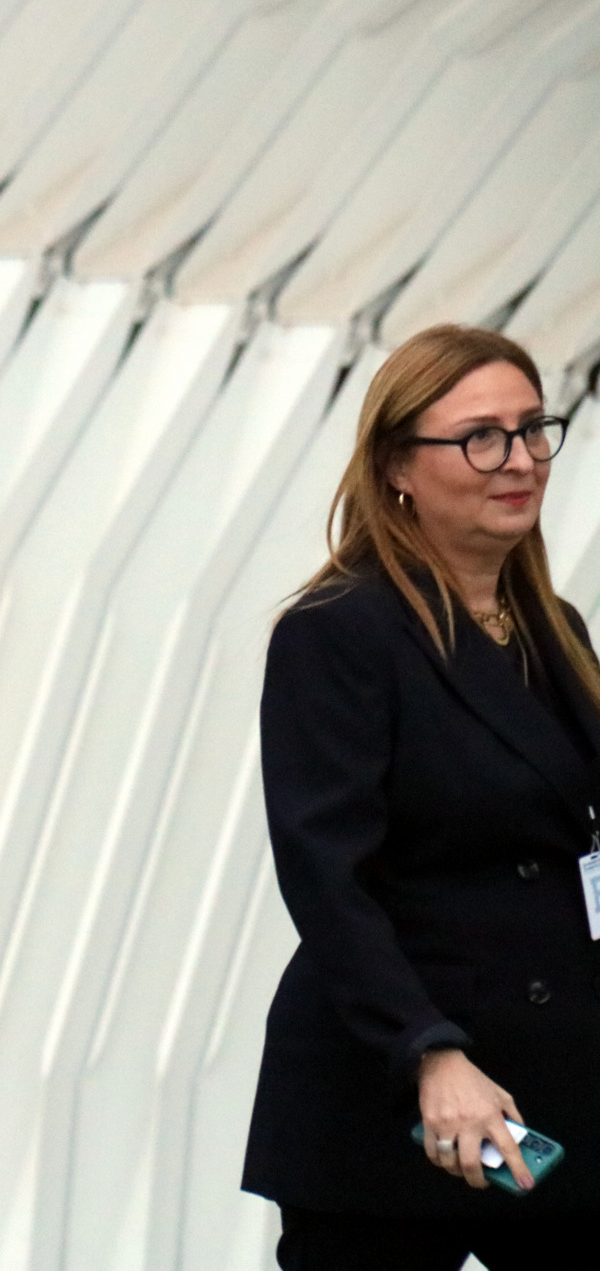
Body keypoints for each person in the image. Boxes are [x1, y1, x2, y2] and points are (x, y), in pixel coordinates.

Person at [243, 323, 600, 1267]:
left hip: (554, 1094)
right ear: (398, 464)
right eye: (480, 436)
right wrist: (429, 1051)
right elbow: (328, 876)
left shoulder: (554, 630)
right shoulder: (339, 632)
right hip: (397, 1097)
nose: (519, 459)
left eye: (533, 428)